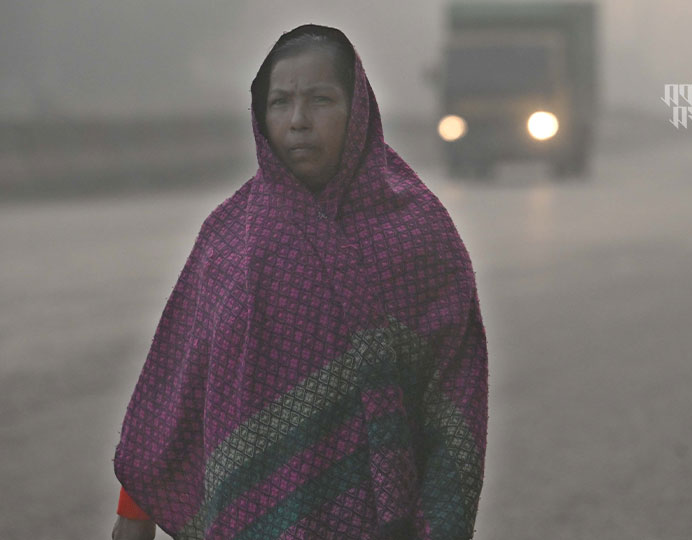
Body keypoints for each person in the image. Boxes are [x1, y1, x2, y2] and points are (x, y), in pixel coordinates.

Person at [111, 24, 488, 540]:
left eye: (321, 100)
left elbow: (454, 404)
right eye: (280, 102)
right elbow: (174, 396)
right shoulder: (228, 241)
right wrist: (133, 517)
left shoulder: (420, 236)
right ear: (261, 116)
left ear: (358, 111)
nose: (299, 122)